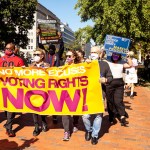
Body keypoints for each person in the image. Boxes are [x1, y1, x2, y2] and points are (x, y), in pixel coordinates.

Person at [82, 46, 113, 145]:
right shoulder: (86, 64)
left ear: (100, 54)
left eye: (95, 52)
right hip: (87, 93)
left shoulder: (104, 65)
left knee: (98, 115)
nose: (92, 54)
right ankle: (89, 130)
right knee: (85, 116)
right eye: (91, 52)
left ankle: (95, 135)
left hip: (100, 93)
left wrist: (106, 80)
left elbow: (110, 77)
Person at [0, 43, 24, 137]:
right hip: (3, 87)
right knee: (6, 107)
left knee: (11, 107)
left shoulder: (19, 60)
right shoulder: (1, 59)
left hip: (14, 87)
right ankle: (8, 122)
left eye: (9, 49)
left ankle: (9, 128)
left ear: (14, 50)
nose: (7, 50)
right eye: (6, 48)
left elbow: (23, 73)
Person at [106, 52, 132, 127]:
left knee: (118, 101)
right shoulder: (107, 61)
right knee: (110, 101)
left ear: (120, 55)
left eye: (117, 55)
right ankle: (111, 115)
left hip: (119, 83)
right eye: (114, 54)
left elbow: (130, 65)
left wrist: (128, 56)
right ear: (111, 54)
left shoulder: (122, 62)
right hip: (109, 83)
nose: (115, 56)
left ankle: (122, 117)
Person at [29, 48, 50, 136]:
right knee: (34, 109)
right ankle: (36, 127)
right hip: (33, 90)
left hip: (43, 90)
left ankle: (44, 122)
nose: (36, 56)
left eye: (37, 54)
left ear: (42, 56)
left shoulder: (47, 65)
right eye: (35, 55)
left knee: (42, 108)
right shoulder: (31, 66)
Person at [62, 49, 81, 141]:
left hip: (75, 92)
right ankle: (66, 131)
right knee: (65, 112)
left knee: (76, 110)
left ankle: (75, 123)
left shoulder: (79, 67)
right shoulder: (63, 66)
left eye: (69, 56)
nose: (67, 58)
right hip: (65, 92)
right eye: (66, 56)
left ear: (74, 57)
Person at [46, 33, 64, 124]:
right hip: (46, 80)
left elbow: (61, 47)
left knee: (55, 97)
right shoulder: (45, 55)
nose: (51, 50)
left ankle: (55, 116)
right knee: (46, 97)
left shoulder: (57, 55)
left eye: (52, 49)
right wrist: (38, 36)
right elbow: (40, 45)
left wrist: (60, 38)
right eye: (50, 49)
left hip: (55, 79)